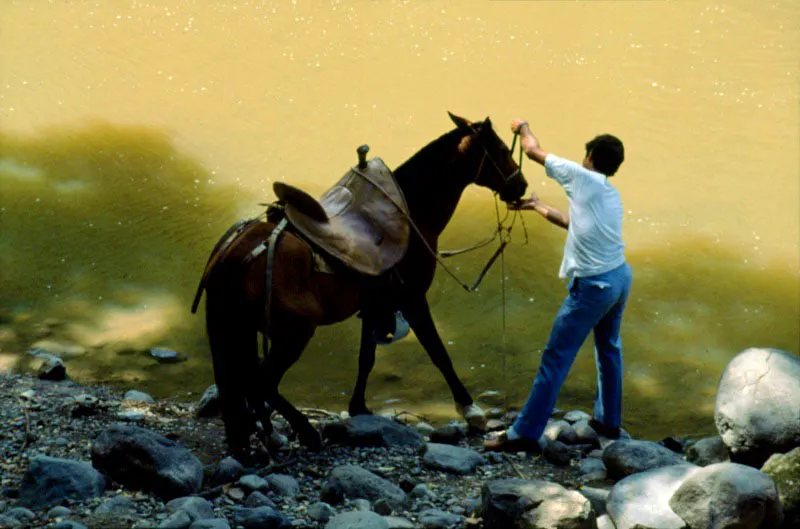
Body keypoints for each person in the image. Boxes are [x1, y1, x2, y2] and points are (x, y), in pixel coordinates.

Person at [484, 120, 633, 452]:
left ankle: (523, 434)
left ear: (590, 156)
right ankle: (609, 421)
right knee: (609, 348)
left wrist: (523, 127)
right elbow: (573, 223)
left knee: (555, 357)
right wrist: (538, 207)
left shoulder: (581, 177)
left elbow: (532, 150)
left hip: (593, 286)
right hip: (620, 277)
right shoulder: (609, 193)